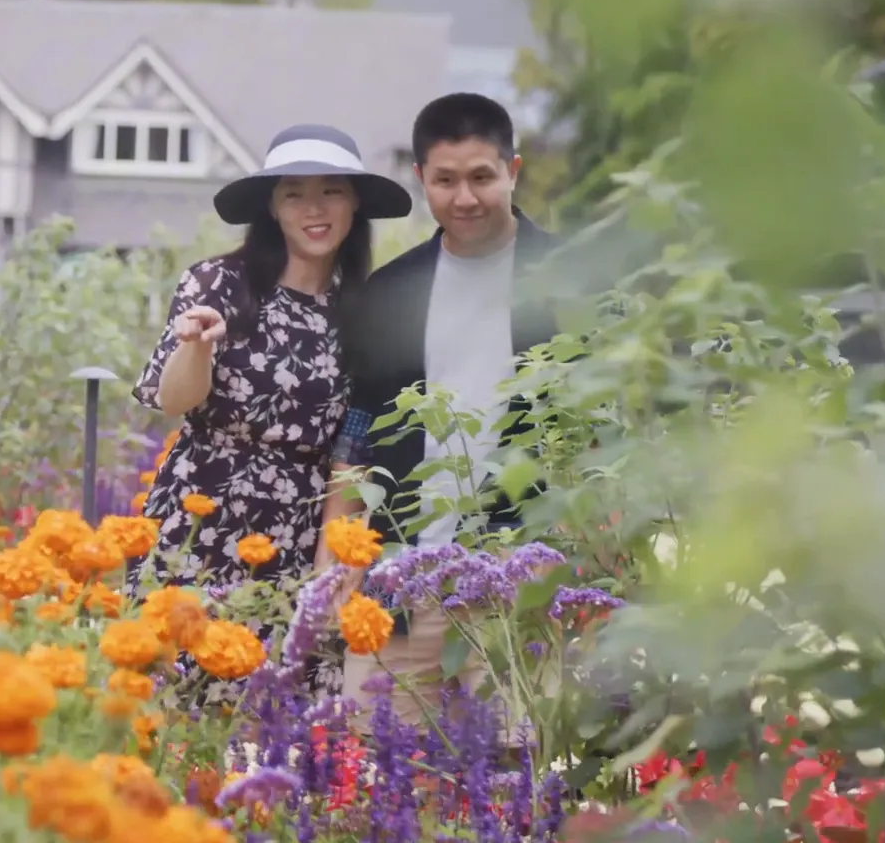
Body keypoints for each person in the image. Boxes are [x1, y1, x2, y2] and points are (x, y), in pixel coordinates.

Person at [131, 124, 413, 698]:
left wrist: (330, 568)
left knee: (278, 711)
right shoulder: (218, 284)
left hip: (299, 526)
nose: (314, 208)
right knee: (172, 696)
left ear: (355, 202)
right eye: (294, 193)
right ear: (272, 207)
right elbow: (173, 400)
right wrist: (198, 344)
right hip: (200, 519)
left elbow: (352, 446)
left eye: (331, 191)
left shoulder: (362, 310)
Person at [325, 93, 564, 721]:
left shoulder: (570, 280)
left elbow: (610, 433)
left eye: (482, 177)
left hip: (519, 589)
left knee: (517, 785)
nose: (465, 198)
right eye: (446, 180)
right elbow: (358, 432)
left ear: (513, 171)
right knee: (375, 790)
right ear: (421, 180)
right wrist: (337, 553)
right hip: (401, 585)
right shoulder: (392, 292)